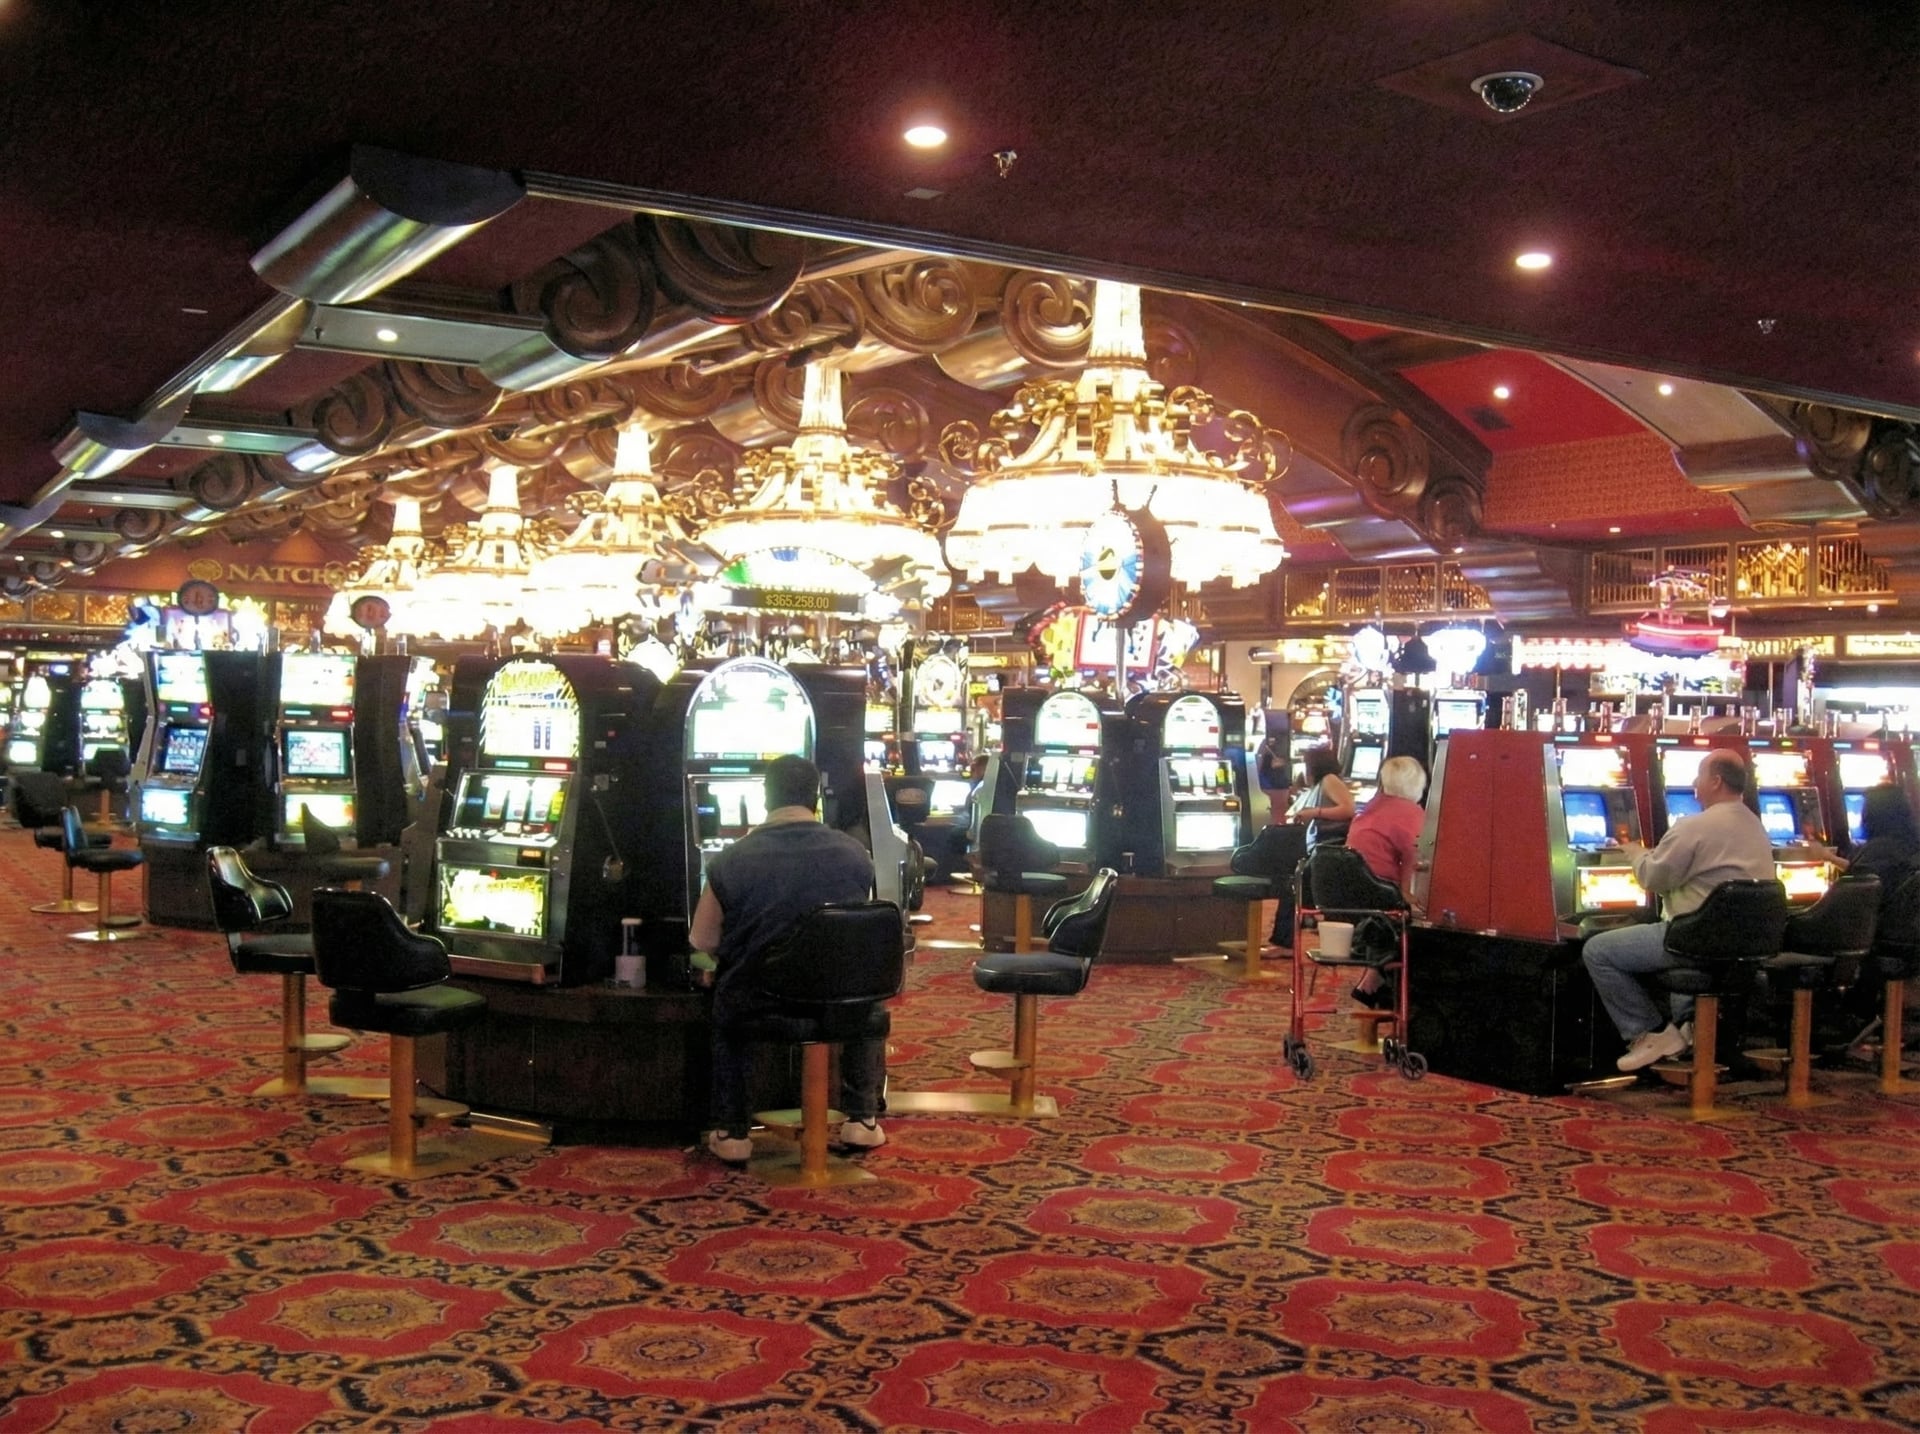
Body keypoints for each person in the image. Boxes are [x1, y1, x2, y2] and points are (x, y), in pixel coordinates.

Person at [690, 755, 887, 1164]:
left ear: (765, 797)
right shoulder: (855, 854)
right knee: (865, 993)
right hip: (839, 1003)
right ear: (815, 796)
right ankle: (863, 1118)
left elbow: (703, 939)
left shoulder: (731, 859)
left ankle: (732, 1130)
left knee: (725, 1002)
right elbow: (860, 930)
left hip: (762, 1002)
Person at [1581, 748, 1775, 1072]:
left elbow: (1653, 877)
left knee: (1598, 950)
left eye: (1699, 775)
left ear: (1715, 781)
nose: (1693, 782)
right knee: (1675, 923)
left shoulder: (1695, 825)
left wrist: (1634, 852)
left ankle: (1650, 1033)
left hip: (1695, 941)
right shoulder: (1755, 825)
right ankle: (1689, 1029)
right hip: (1745, 945)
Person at [1345, 755, 1426, 1009]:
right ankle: (1385, 985)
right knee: (1433, 928)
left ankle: (1375, 976)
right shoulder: (1410, 814)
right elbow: (1414, 867)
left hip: (1349, 899)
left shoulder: (1371, 806)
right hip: (1380, 902)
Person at [1269, 746, 1356, 947]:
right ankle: (1284, 940)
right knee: (1289, 880)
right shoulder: (1317, 786)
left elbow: (1348, 809)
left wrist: (1315, 812)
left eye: (1306, 765)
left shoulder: (1329, 780)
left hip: (1328, 848)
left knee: (1292, 883)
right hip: (1316, 848)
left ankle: (1283, 943)